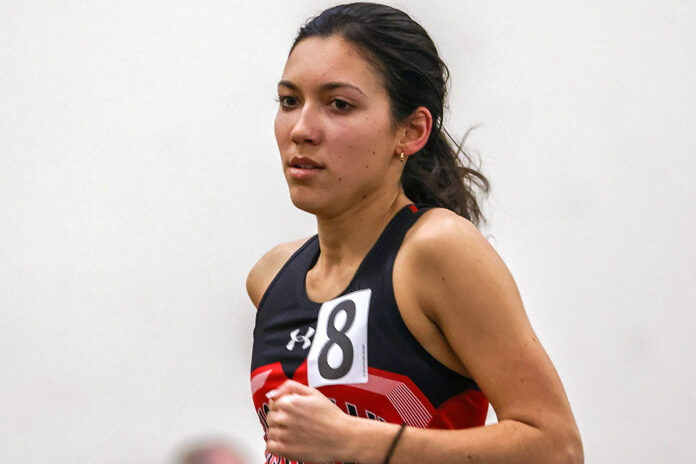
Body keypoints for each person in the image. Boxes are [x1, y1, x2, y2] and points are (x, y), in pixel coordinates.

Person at [247, 3, 583, 463]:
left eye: (339, 104)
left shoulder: (437, 250)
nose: (302, 129)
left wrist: (353, 441)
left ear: (412, 130)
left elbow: (557, 448)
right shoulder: (270, 278)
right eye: (289, 101)